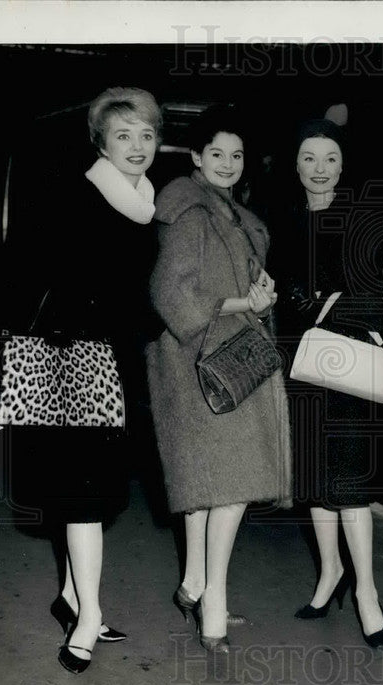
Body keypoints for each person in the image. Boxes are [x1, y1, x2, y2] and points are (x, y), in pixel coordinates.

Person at [9, 86, 162, 674]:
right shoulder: (80, 195)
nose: (137, 145)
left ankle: (73, 596)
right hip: (72, 362)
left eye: (147, 134)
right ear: (101, 141)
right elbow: (40, 271)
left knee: (90, 492)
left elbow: (132, 296)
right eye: (124, 134)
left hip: (111, 363)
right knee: (85, 496)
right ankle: (91, 616)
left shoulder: (141, 204)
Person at [146, 104, 292, 654]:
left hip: (229, 356)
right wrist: (239, 301)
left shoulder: (229, 212)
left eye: (237, 155)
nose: (229, 163)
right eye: (217, 154)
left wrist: (259, 298)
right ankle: (213, 602)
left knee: (212, 488)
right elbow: (170, 292)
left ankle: (194, 585)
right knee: (231, 485)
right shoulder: (189, 210)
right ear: (196, 157)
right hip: (201, 362)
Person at [269, 119, 383, 647]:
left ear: (342, 166)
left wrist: (323, 303)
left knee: (348, 482)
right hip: (300, 364)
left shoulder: (361, 219)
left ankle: (366, 589)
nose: (319, 168)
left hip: (346, 365)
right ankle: (329, 574)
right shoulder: (283, 223)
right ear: (296, 165)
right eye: (309, 158)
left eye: (329, 158)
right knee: (314, 481)